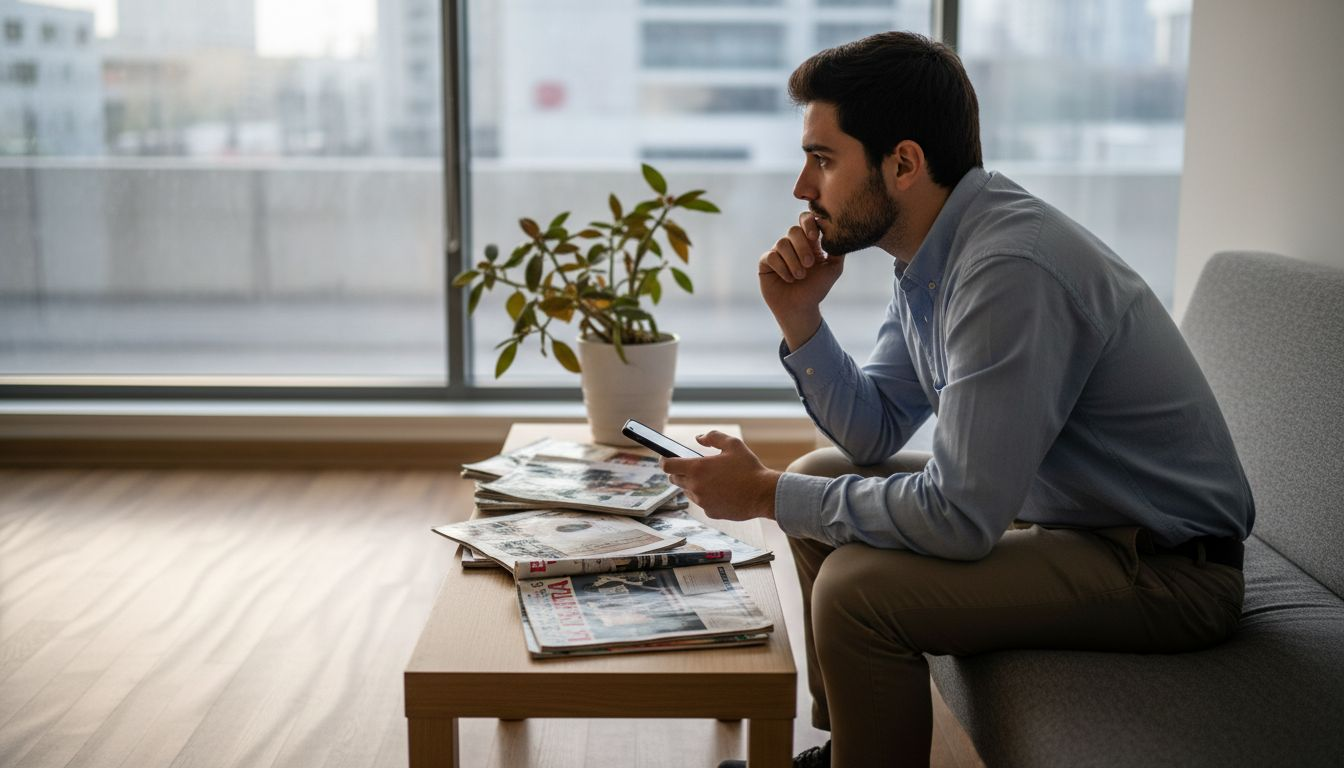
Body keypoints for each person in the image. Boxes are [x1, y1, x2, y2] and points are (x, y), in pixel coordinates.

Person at [660, 31, 1254, 768]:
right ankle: (852, 748)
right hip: (1075, 525)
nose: (802, 188)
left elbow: (961, 516)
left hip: (1167, 570)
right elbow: (873, 431)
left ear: (903, 163)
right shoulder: (937, 254)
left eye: (823, 159)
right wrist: (801, 319)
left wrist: (760, 493)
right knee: (818, 473)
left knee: (851, 589)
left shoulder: (1007, 269)